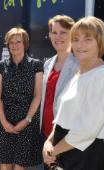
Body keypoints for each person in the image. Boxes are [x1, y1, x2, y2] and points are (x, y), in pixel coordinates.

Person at [42, 16, 104, 170]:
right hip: (62, 148)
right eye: (75, 39)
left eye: (88, 39)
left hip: (83, 155)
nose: (79, 44)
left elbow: (87, 130)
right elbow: (62, 115)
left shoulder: (103, 75)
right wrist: (48, 142)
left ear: (101, 42)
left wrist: (53, 152)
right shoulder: (79, 73)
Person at [0, 27, 43, 170]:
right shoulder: (1, 65)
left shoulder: (36, 65)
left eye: (18, 41)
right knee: (5, 164)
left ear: (25, 44)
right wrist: (3, 121)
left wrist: (27, 120)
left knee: (20, 165)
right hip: (3, 120)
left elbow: (37, 96)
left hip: (26, 121)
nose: (14, 45)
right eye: (11, 42)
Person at [40, 15, 78, 156]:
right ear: (49, 35)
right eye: (54, 32)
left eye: (63, 32)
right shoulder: (48, 63)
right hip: (46, 131)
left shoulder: (79, 64)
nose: (58, 36)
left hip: (66, 135)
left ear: (72, 34)